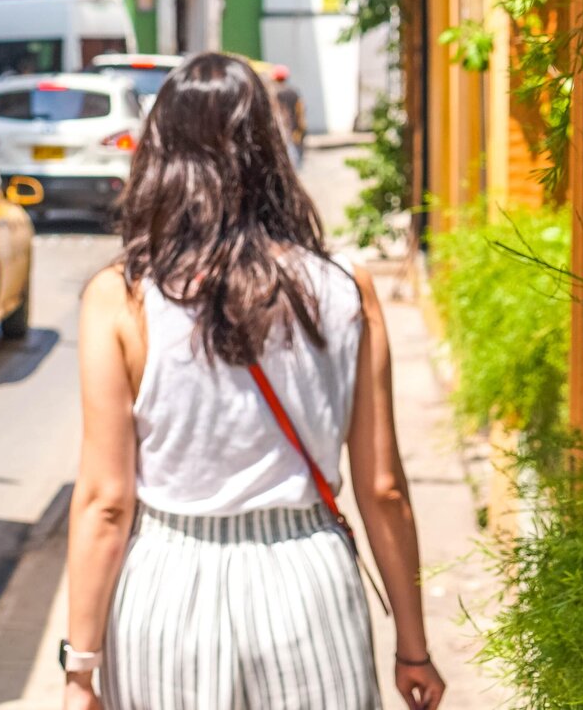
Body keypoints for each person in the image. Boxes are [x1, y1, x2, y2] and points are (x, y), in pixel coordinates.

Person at [61, 54, 444, 710]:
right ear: (271, 150)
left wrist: (80, 668)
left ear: (159, 156)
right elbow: (383, 488)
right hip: (308, 581)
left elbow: (105, 501)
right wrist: (413, 646)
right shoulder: (347, 287)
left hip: (165, 587)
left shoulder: (121, 297)